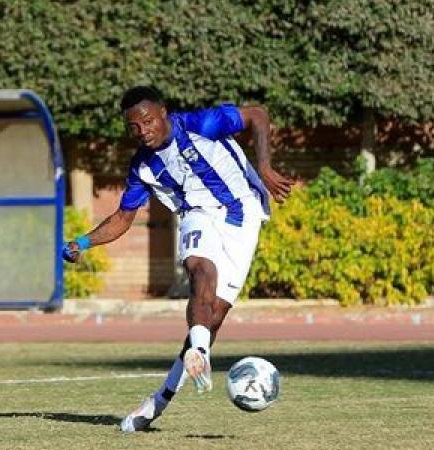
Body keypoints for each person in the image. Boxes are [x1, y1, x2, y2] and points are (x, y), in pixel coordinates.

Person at [62, 86, 294, 433]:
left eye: (148, 121)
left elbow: (257, 115)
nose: (143, 131)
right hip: (196, 215)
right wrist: (83, 241)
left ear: (163, 112)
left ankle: (159, 400)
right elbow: (123, 218)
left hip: (243, 213)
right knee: (201, 270)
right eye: (134, 127)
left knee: (213, 316)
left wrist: (263, 165)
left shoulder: (201, 124)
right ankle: (198, 351)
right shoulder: (143, 166)